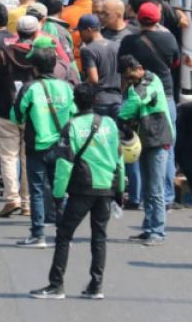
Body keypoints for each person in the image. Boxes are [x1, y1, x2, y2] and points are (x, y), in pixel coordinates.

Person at [30, 81, 124, 300]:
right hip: (107, 188)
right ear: (96, 101)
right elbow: (120, 159)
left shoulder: (72, 126)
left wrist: (58, 193)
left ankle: (56, 284)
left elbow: (65, 164)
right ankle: (96, 285)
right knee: (99, 237)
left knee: (64, 235)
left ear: (75, 102)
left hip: (82, 188)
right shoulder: (110, 124)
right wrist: (119, 191)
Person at [11, 37, 74, 248]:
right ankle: (64, 235)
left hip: (36, 147)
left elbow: (16, 115)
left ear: (35, 67)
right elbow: (74, 114)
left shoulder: (29, 88)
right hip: (62, 148)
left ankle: (38, 235)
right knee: (60, 191)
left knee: (36, 191)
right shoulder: (66, 88)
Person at [117, 53, 173, 245]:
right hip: (145, 139)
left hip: (158, 138)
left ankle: (158, 232)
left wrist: (119, 117)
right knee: (148, 189)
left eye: (131, 76)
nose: (129, 80)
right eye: (126, 78)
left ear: (139, 68)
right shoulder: (136, 85)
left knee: (156, 189)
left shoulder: (150, 82)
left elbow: (134, 104)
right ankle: (148, 228)